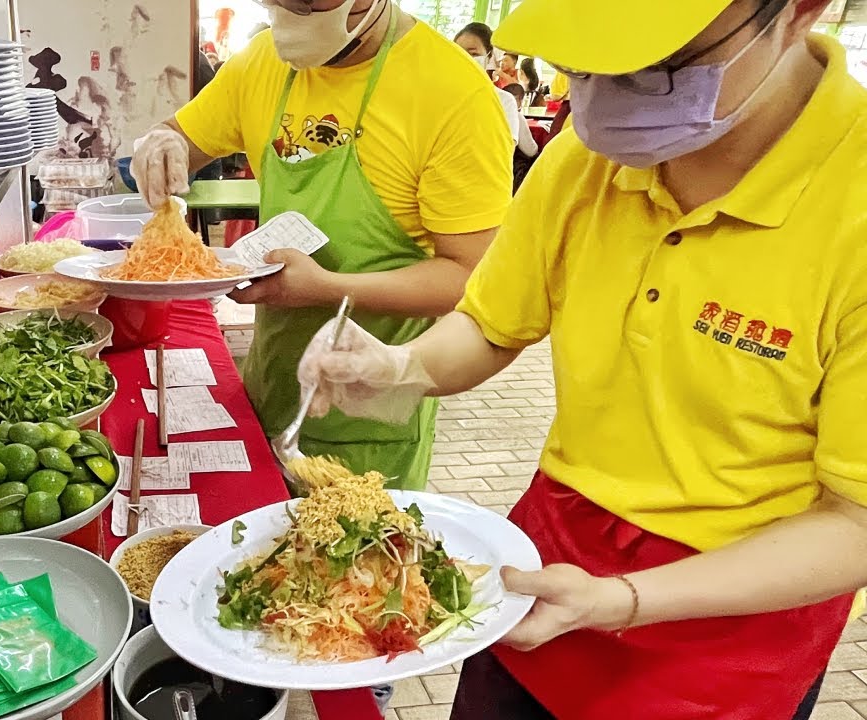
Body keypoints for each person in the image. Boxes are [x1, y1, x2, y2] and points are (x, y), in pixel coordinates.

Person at [298, 0, 867, 718]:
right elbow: (493, 324)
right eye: (581, 69)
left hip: (733, 618)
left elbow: (854, 524)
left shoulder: (852, 202)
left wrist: (622, 600)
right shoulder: (590, 154)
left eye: (651, 69)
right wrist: (396, 368)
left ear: (796, 13)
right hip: (553, 553)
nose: (604, 101)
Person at [130, 0, 512, 490]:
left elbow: (470, 277)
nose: (289, 14)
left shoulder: (453, 93)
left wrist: (325, 287)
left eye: (309, 2)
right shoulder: (262, 60)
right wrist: (164, 143)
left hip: (369, 414)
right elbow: (185, 134)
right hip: (271, 384)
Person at [454, 23, 529, 153]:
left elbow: (506, 148)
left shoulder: (504, 100)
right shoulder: (446, 96)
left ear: (488, 56)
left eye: (473, 53)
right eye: (459, 52)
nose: (465, 58)